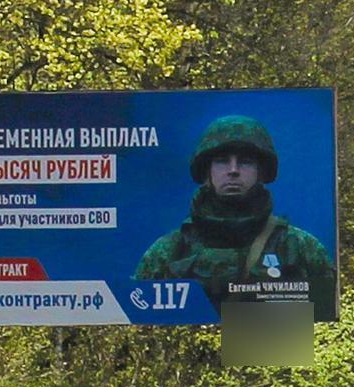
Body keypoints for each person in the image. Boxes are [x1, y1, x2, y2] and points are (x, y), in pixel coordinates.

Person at [134, 116, 337, 320]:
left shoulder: (299, 248)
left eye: (245, 162)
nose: (233, 170)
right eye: (222, 161)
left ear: (261, 172)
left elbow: (325, 331)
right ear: (207, 171)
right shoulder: (168, 253)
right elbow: (138, 333)